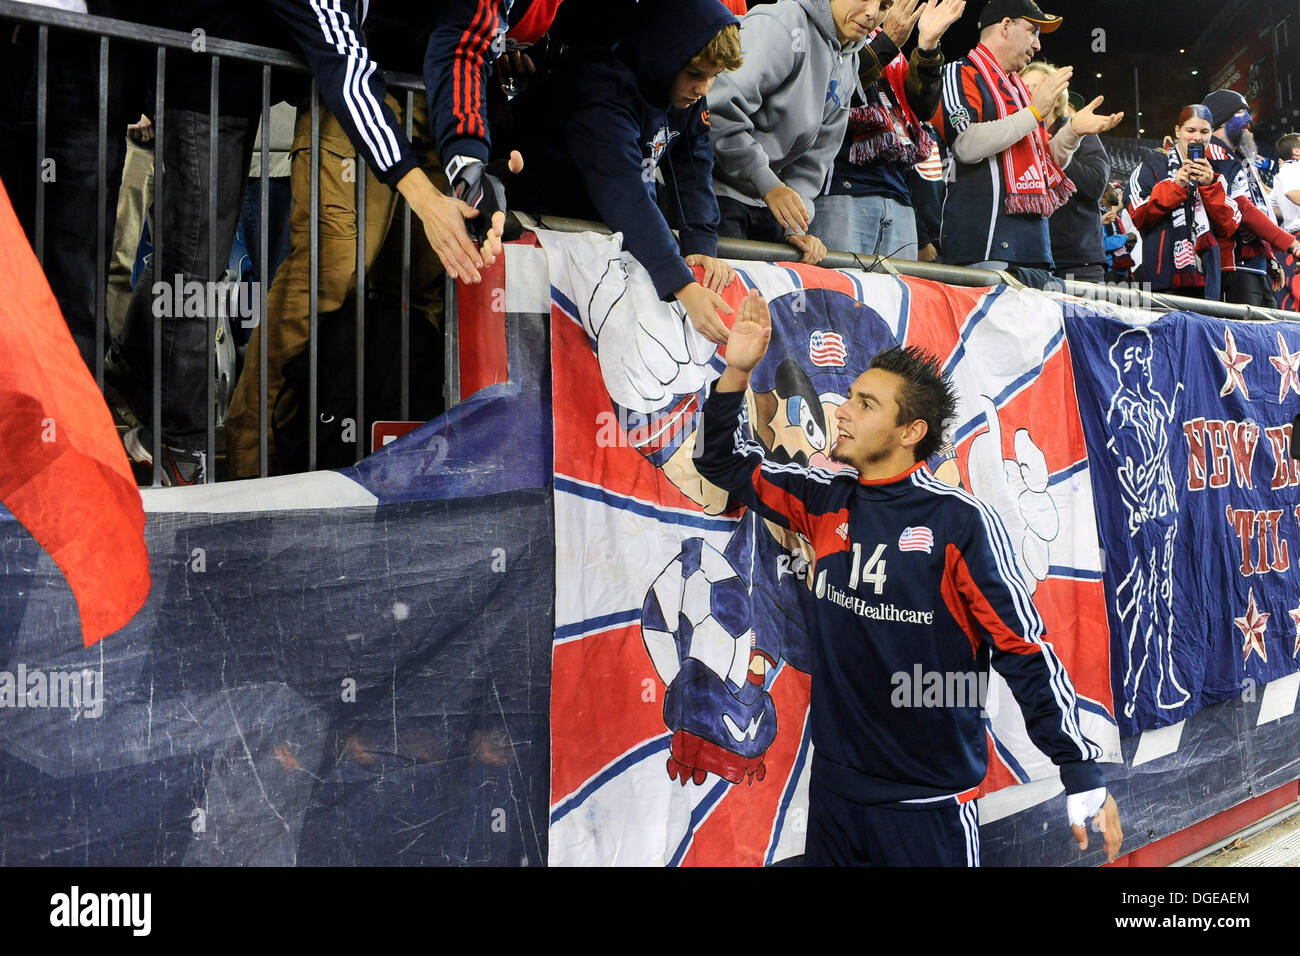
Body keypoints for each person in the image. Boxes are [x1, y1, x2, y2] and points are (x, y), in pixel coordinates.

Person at [694, 290, 1124, 866]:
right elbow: (720, 463)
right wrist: (738, 371)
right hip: (836, 797)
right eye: (848, 397)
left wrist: (1079, 770)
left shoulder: (958, 522)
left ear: (909, 431)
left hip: (929, 806)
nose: (841, 411)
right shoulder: (821, 498)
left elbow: (1022, 649)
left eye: (865, 404)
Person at [506, 0, 744, 344]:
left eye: (713, 77)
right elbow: (624, 190)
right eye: (695, 74)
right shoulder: (603, 86)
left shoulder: (686, 93)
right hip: (541, 227)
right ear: (666, 55)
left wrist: (701, 244)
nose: (704, 89)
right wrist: (682, 283)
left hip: (600, 235)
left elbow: (695, 166)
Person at [936, 0, 1122, 270]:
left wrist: (1071, 133)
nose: (1037, 45)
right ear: (1006, 26)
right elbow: (966, 144)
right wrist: (1033, 111)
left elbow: (1042, 161)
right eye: (1033, 31)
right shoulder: (960, 72)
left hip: (1035, 245)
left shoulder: (1019, 89)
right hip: (986, 244)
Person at [707, 0, 881, 266]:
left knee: (766, 302)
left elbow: (817, 157)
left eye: (885, 5)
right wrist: (769, 183)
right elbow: (717, 111)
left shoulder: (849, 58)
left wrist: (795, 225)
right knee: (724, 301)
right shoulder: (782, 23)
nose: (873, 12)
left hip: (766, 201)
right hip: (713, 190)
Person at [814, 0, 965, 261]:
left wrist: (927, 47)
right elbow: (833, 87)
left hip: (898, 195)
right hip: (841, 189)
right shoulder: (824, 27)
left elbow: (922, 109)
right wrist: (888, 42)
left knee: (896, 299)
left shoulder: (885, 47)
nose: (875, 10)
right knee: (839, 297)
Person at [1127, 105, 1239, 301]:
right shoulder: (1152, 166)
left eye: (1204, 131)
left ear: (1211, 134)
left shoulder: (1217, 174)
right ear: (1178, 131)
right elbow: (1138, 215)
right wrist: (1175, 186)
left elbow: (1229, 226)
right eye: (1190, 130)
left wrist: (1210, 186)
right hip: (1162, 280)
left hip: (1207, 280)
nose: (1197, 137)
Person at [1201, 89, 1300, 306]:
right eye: (1240, 113)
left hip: (1254, 266)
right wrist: (1290, 242)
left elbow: (1258, 209)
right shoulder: (1215, 155)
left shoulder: (1238, 159)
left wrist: (1268, 256)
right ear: (1220, 120)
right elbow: (1243, 209)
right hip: (1234, 266)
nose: (1249, 119)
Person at [1021, 64, 1111, 285]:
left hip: (1077, 260)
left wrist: (1057, 151)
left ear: (1058, 95)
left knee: (1080, 320)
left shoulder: (1077, 128)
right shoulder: (1015, 133)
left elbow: (1095, 184)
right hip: (1027, 259)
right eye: (1025, 87)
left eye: (1038, 86)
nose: (1031, 92)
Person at [1272, 132, 1300, 237]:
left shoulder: (1281, 175)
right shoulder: (1291, 168)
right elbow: (1291, 193)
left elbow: (1273, 208)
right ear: (1296, 152)